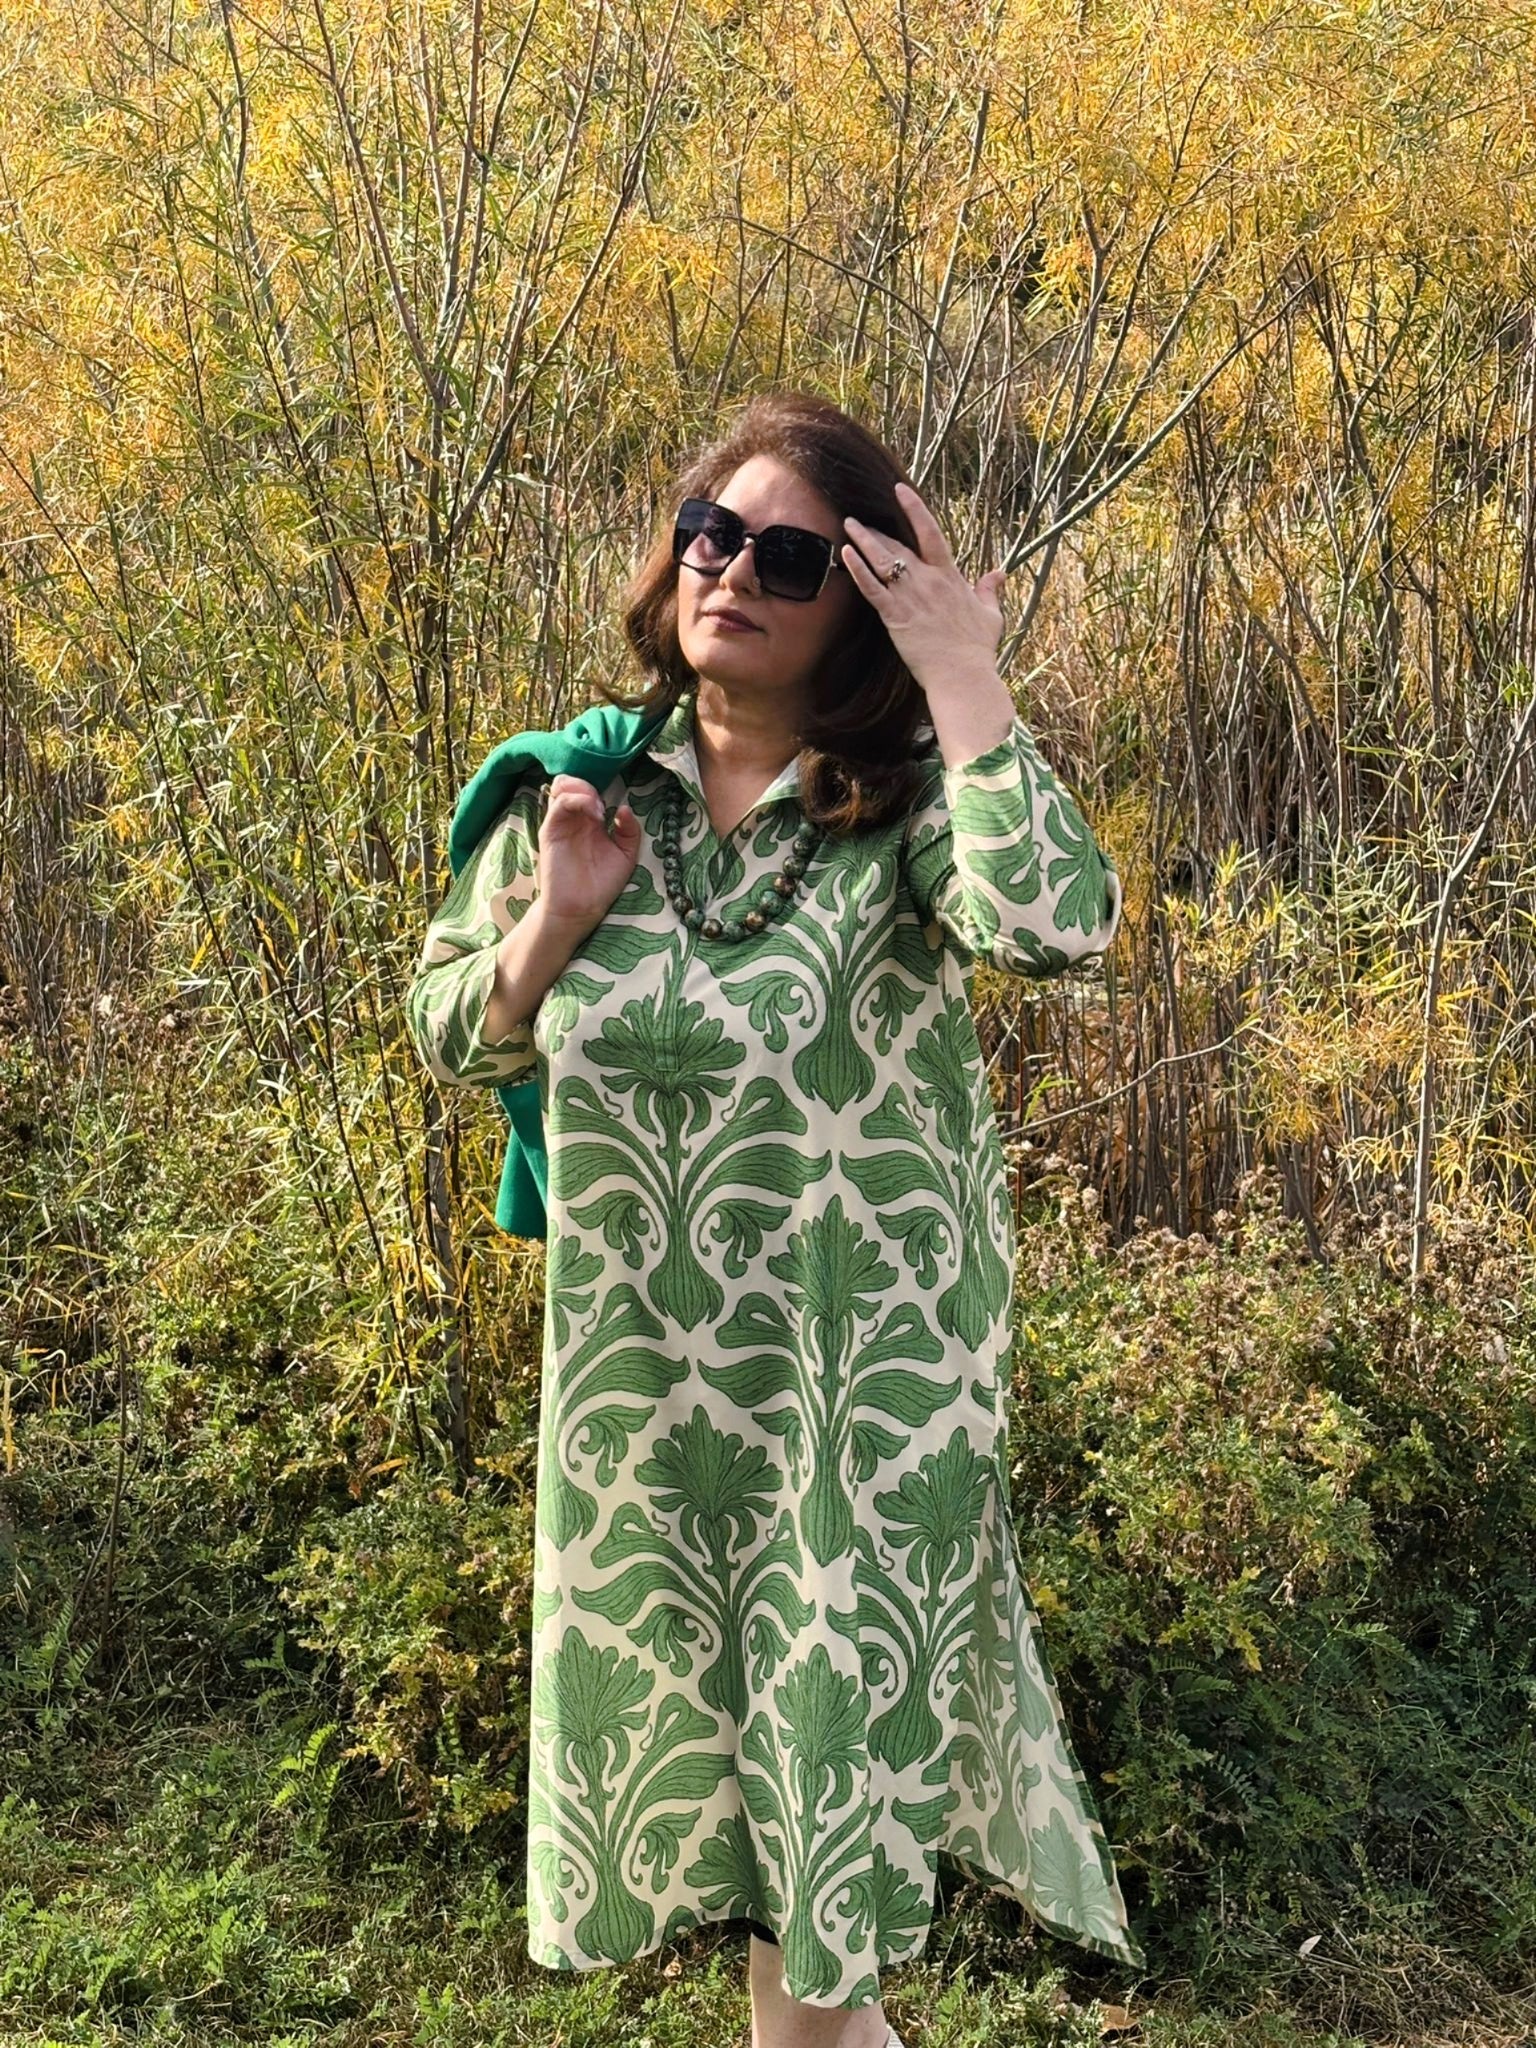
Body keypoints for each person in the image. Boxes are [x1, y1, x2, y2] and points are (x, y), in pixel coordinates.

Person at [406, 392, 1142, 2048]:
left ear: (856, 609)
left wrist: (967, 675)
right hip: (647, 1413)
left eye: (792, 558)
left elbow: (1058, 927)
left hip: (856, 1402)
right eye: (712, 534)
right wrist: (553, 923)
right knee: (766, 1886)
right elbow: (452, 1030)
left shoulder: (908, 811)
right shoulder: (580, 790)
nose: (734, 570)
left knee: (819, 1894)